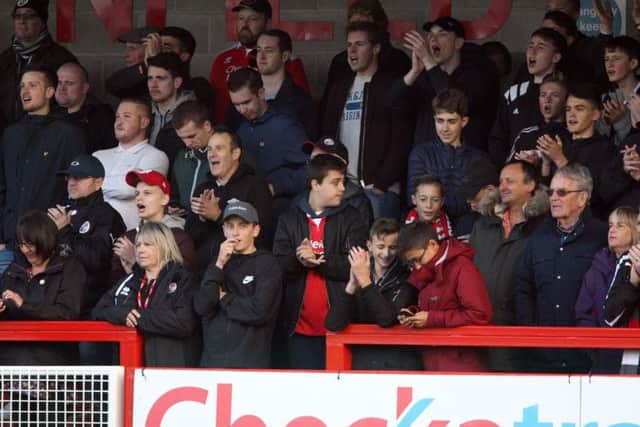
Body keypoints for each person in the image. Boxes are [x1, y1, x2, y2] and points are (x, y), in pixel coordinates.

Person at [273, 154, 368, 369]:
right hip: (298, 329)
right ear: (315, 184)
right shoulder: (289, 219)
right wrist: (299, 259)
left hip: (342, 326)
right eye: (335, 182)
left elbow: (357, 267)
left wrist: (319, 262)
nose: (342, 188)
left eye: (343, 181)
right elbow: (278, 267)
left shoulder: (352, 217)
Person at [515, 164, 607, 373]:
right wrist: (531, 335)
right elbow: (523, 288)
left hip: (587, 355)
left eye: (562, 192)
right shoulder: (538, 237)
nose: (554, 197)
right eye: (551, 192)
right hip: (542, 355)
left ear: (582, 198)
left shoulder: (602, 236)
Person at [320, 21, 414, 220]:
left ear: (376, 48)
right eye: (349, 44)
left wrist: (381, 182)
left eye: (360, 44)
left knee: (381, 248)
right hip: (344, 185)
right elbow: (327, 134)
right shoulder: (339, 87)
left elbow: (401, 140)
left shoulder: (391, 86)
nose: (352, 50)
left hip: (379, 188)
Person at [0, 68, 85, 271]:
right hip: (10, 241)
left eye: (32, 85)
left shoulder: (68, 134)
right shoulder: (11, 134)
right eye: (22, 86)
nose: (24, 91)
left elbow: (75, 189)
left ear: (49, 92)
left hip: (47, 242)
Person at [469, 160, 549, 372]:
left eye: (510, 181)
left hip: (522, 328)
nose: (502, 186)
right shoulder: (483, 223)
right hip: (480, 325)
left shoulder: (544, 225)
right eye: (501, 181)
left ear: (530, 185)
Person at [93, 222, 200, 367]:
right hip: (132, 369)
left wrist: (138, 317)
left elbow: (183, 322)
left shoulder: (183, 279)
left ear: (164, 246)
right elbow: (99, 310)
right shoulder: (130, 280)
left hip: (171, 371)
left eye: (148, 245)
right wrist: (121, 314)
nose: (140, 250)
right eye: (138, 245)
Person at [325, 218, 422, 370]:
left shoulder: (408, 276)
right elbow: (333, 324)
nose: (386, 253)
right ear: (369, 246)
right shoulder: (359, 270)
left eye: (393, 247)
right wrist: (351, 286)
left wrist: (365, 281)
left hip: (397, 362)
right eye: (381, 246)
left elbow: (387, 320)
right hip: (360, 360)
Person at [390, 16, 499, 150]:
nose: (433, 39)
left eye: (442, 34)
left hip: (462, 161)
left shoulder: (476, 74)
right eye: (430, 35)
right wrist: (414, 72)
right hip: (426, 161)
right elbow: (390, 102)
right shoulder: (423, 76)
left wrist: (428, 60)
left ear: (458, 43)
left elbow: (454, 100)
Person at [195, 201, 282, 368]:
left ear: (255, 230)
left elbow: (259, 311)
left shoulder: (267, 263)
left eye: (242, 226)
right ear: (223, 230)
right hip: (213, 362)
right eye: (230, 226)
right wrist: (219, 264)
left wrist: (224, 298)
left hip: (250, 364)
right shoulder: (216, 263)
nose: (235, 233)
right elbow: (201, 307)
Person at [396, 221, 492, 372]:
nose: (416, 267)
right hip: (433, 360)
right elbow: (436, 307)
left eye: (417, 259)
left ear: (433, 244)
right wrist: (414, 313)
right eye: (411, 262)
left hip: (462, 364)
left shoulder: (462, 267)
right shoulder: (427, 271)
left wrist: (431, 319)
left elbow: (480, 314)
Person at [0, 210, 87, 365]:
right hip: (10, 361)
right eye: (21, 245)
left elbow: (66, 313)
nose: (26, 250)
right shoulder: (14, 269)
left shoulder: (70, 268)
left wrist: (24, 306)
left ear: (46, 239)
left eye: (30, 244)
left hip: (52, 362)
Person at [185, 127, 272, 273]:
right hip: (204, 273)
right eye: (209, 149)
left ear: (235, 153)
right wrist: (201, 219)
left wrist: (218, 215)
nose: (212, 154)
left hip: (239, 272)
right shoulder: (203, 189)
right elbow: (190, 239)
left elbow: (263, 236)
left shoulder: (255, 186)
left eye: (219, 148)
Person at [208, 0, 309, 124]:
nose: (244, 24)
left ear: (267, 23)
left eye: (253, 19)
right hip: (227, 136)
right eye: (241, 18)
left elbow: (302, 107)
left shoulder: (290, 62)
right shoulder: (222, 59)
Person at [48, 154, 126, 312]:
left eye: (79, 177)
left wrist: (65, 231)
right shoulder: (61, 211)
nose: (71, 182)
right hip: (53, 299)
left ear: (98, 182)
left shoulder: (107, 215)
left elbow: (96, 261)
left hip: (87, 305)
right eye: (69, 177)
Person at [228, 67, 308, 218]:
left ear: (261, 93)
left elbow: (311, 169)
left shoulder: (285, 126)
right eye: (236, 105)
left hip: (280, 212)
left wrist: (275, 187)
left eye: (246, 102)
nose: (241, 110)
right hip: (249, 215)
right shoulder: (241, 130)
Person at [407, 88, 488, 225]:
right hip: (427, 231)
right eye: (440, 121)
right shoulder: (421, 153)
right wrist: (466, 204)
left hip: (466, 231)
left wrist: (434, 198)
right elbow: (414, 199)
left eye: (451, 121)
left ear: (464, 121)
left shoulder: (479, 159)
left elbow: (482, 203)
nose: (444, 128)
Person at [489, 28, 566, 167]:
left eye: (540, 47)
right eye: (530, 46)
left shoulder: (567, 94)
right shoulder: (514, 93)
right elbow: (497, 139)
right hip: (515, 176)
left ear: (556, 57)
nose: (532, 51)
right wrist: (507, 167)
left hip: (550, 175)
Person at [576, 206, 638, 373]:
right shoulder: (597, 265)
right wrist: (595, 347)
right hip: (601, 354)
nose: (612, 230)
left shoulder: (631, 264)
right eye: (610, 225)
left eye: (620, 225)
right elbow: (583, 312)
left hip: (630, 353)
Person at [537, 83, 614, 217]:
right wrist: (546, 163)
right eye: (568, 109)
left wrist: (559, 159)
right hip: (552, 221)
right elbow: (544, 197)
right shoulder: (560, 143)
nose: (571, 114)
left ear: (595, 114)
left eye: (579, 109)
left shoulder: (605, 149)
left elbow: (594, 196)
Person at [93, 98, 169, 230]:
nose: (119, 122)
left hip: (131, 239)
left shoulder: (156, 156)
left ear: (144, 122)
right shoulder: (98, 155)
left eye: (127, 116)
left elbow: (128, 189)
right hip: (93, 235)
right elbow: (81, 191)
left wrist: (95, 184)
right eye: (117, 116)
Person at [226, 29, 316, 139]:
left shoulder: (301, 101)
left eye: (268, 51)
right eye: (259, 50)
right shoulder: (241, 96)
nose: (261, 56)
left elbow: (309, 145)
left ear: (284, 56)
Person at [321, 0, 410, 108]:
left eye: (363, 26)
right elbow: (328, 105)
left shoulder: (398, 60)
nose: (357, 30)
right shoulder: (340, 61)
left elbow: (406, 105)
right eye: (353, 25)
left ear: (378, 27)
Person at [111, 170, 196, 283]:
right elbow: (113, 282)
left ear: (165, 199)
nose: (139, 198)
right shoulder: (127, 237)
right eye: (137, 193)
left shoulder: (179, 237)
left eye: (147, 193)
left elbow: (179, 281)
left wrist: (135, 260)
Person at [0, 0, 77, 123]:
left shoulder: (61, 59)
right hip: (8, 136)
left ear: (42, 22)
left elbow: (70, 103)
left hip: (43, 134)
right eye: (17, 16)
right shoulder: (5, 58)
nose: (22, 21)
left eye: (29, 16)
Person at [106, 26, 212, 107]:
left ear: (184, 56)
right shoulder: (145, 84)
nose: (160, 52)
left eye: (166, 47)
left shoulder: (198, 86)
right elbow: (112, 85)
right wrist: (148, 63)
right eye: (158, 47)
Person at [302, 136, 373, 228]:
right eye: (311, 160)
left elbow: (358, 240)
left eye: (320, 162)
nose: (313, 166)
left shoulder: (357, 202)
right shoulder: (301, 199)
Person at [55, 61, 118, 153]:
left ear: (85, 88)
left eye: (69, 83)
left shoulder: (101, 117)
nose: (62, 88)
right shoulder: (48, 113)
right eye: (59, 82)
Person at [147, 52, 197, 165]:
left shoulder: (194, 115)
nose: (153, 85)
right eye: (150, 78)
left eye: (160, 78)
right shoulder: (144, 112)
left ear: (177, 82)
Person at [508, 75, 570, 164]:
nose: (547, 100)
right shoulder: (526, 134)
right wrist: (527, 166)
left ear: (566, 101)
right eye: (543, 95)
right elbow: (509, 170)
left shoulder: (572, 136)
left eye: (555, 95)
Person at [170, 101, 215, 214]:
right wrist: (173, 206)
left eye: (191, 136)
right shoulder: (181, 156)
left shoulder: (227, 153)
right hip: (185, 223)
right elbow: (174, 194)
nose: (187, 143)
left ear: (207, 126)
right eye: (182, 138)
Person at [597, 36, 640, 147]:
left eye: (616, 58)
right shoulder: (606, 97)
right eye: (606, 59)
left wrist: (619, 121)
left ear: (633, 63)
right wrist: (606, 123)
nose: (609, 64)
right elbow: (600, 144)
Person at [404, 176, 454, 241]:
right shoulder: (408, 222)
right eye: (423, 199)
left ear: (442, 202)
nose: (429, 205)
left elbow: (448, 245)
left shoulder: (443, 221)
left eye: (435, 200)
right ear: (414, 200)